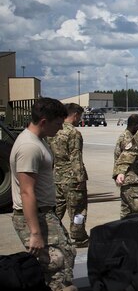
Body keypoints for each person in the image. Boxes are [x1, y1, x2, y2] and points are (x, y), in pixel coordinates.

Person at [10, 98, 75, 291]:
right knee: (55, 265)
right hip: (34, 215)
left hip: (45, 212)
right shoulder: (29, 147)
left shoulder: (39, 141)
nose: (60, 129)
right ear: (44, 122)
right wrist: (35, 233)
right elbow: (26, 191)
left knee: (66, 255)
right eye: (58, 124)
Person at [49, 103, 89, 247]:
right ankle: (79, 238)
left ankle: (53, 235)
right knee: (78, 211)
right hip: (72, 179)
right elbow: (75, 157)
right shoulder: (73, 133)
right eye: (80, 117)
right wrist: (80, 178)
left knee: (56, 210)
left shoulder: (53, 131)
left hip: (57, 177)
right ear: (75, 115)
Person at [114, 113, 138, 218]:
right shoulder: (128, 139)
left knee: (126, 211)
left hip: (127, 179)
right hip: (132, 179)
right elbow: (133, 157)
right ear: (135, 126)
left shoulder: (126, 136)